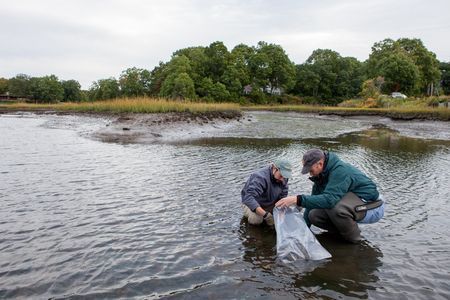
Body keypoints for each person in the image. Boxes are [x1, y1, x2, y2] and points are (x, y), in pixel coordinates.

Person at [276, 149, 384, 243]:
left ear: (320, 164)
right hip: (354, 204)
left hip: (372, 206)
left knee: (334, 206)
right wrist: (304, 230)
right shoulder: (321, 176)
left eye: (311, 170)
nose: (310, 174)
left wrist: (297, 199)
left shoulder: (340, 170)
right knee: (313, 215)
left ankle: (354, 240)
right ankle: (341, 233)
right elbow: (311, 204)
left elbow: (329, 200)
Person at [241, 159, 292, 226]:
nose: (283, 179)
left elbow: (283, 196)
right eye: (281, 176)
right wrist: (266, 215)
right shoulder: (260, 177)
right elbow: (249, 198)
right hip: (253, 204)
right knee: (256, 220)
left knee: (295, 204)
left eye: (285, 176)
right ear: (274, 169)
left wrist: (281, 212)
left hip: (270, 202)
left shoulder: (283, 178)